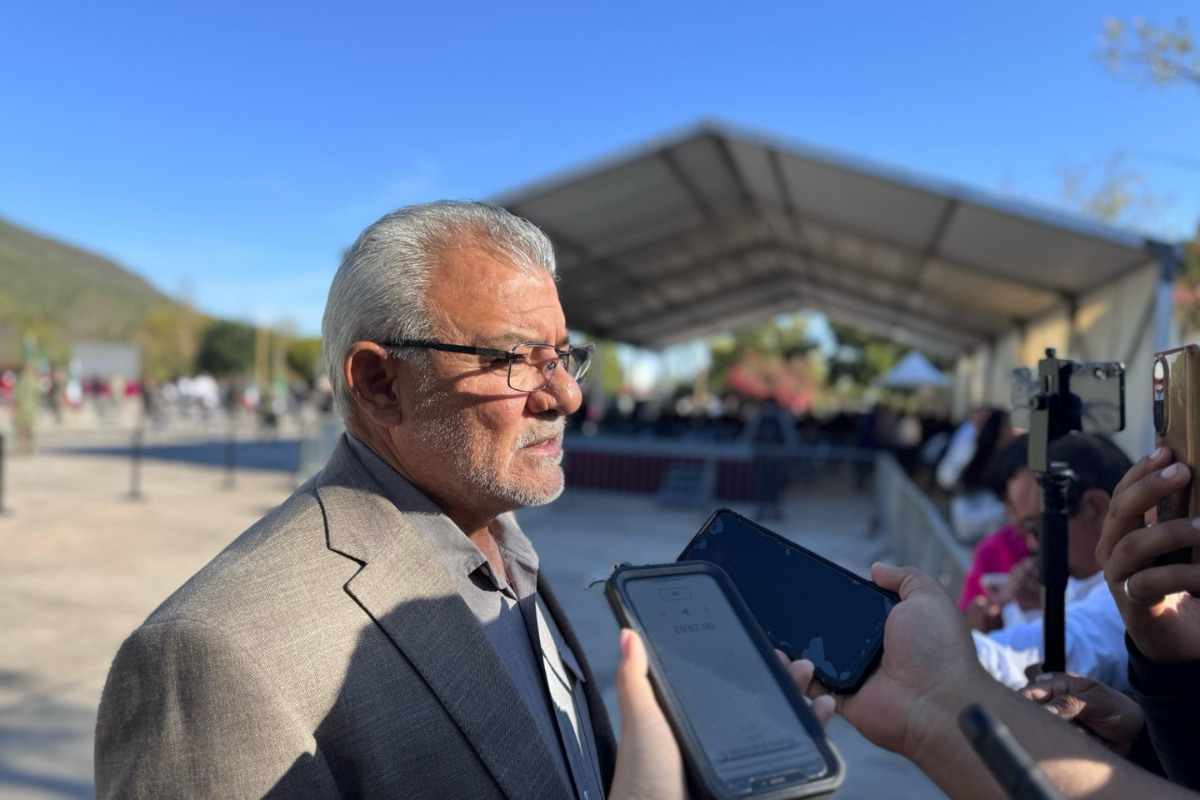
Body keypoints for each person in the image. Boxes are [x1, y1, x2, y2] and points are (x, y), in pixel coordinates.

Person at [95, 201, 667, 799]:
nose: (567, 396)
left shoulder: (505, 545)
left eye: (561, 357)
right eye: (515, 360)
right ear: (379, 384)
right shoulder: (213, 657)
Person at [971, 433, 1133, 690]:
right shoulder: (1088, 582)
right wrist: (1030, 610)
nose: (1033, 545)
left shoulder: (1134, 589)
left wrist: (950, 644)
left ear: (1096, 508)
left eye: (1038, 527)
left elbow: (1053, 649)